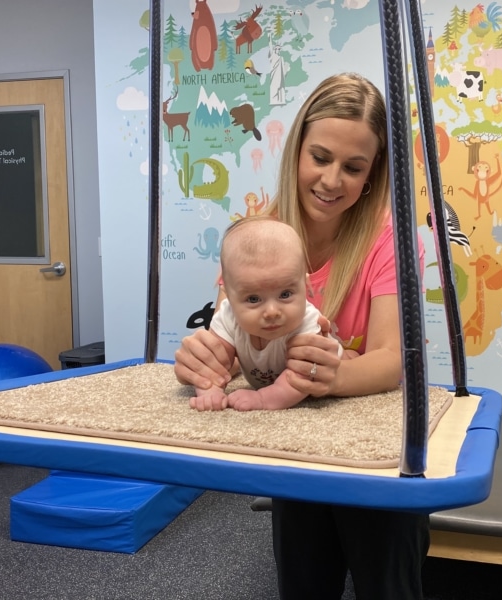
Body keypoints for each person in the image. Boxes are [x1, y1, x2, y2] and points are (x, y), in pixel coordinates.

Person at [175, 72, 429, 600]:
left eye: (353, 167)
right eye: (320, 157)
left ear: (371, 174)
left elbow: (389, 361)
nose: (332, 180)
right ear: (295, 152)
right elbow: (231, 346)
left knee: (388, 587)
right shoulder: (254, 239)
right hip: (295, 454)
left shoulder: (390, 241)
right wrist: (202, 366)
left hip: (376, 458)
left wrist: (321, 376)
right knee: (303, 585)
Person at [190, 216, 340, 412]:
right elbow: (214, 362)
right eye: (253, 299)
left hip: (330, 372)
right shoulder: (228, 316)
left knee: (345, 360)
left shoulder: (307, 322)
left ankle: (350, 354)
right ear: (229, 292)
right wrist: (210, 390)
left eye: (285, 294)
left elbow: (301, 377)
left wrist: (263, 399)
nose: (271, 312)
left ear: (305, 285)